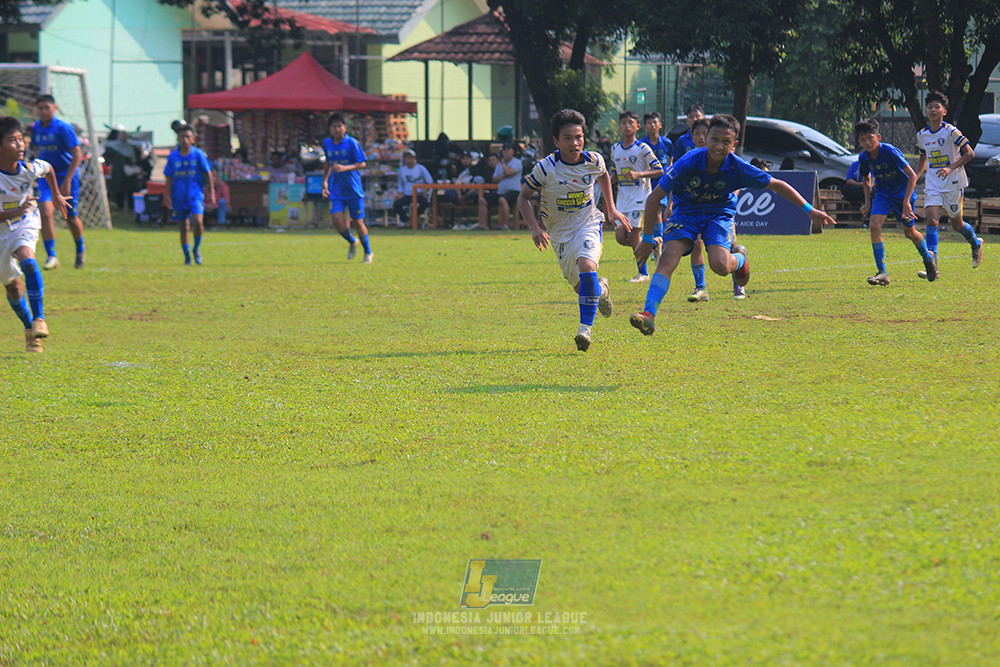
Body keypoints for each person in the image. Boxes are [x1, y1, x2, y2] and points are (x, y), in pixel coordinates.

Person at [629, 114, 836, 336]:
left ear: (734, 145)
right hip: (686, 212)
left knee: (720, 266)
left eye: (726, 142)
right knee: (669, 257)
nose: (719, 146)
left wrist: (809, 209)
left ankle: (740, 260)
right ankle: (649, 315)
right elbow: (653, 199)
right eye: (715, 139)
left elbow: (776, 184)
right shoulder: (688, 162)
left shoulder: (738, 167)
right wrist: (648, 240)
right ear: (706, 138)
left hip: (718, 213)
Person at [517, 108, 629, 352]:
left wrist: (611, 209)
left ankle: (584, 331)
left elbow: (604, 177)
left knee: (587, 266)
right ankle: (601, 290)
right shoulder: (545, 168)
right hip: (558, 235)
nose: (575, 143)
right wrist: (535, 228)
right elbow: (523, 198)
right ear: (556, 141)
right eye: (567, 138)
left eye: (578, 137)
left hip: (588, 223)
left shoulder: (594, 160)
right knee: (583, 289)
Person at [0, 116, 68, 352]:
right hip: (1, 231)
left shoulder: (28, 169)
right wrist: (13, 211)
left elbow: (48, 168)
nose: (20, 145)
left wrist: (57, 195)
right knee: (13, 288)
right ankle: (30, 330)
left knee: (28, 259)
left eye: (21, 140)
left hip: (24, 223)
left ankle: (39, 318)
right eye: (12, 141)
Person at [856, 118, 937, 286]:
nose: (867, 142)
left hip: (902, 195)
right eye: (863, 139)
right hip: (883, 194)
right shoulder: (863, 157)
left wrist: (907, 202)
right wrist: (867, 202)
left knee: (909, 233)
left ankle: (929, 258)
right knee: (874, 225)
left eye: (870, 138)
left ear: (878, 137)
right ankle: (882, 273)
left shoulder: (889, 151)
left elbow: (912, 175)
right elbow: (866, 179)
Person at [914, 90, 984, 279]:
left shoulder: (951, 131)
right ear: (926, 111)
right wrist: (915, 176)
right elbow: (923, 157)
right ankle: (932, 265)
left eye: (937, 107)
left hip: (953, 182)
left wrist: (950, 168)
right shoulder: (922, 135)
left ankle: (976, 243)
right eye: (930, 107)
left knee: (957, 224)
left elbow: (969, 153)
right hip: (933, 183)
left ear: (944, 111)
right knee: (932, 220)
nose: (933, 110)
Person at [30, 94, 85, 269]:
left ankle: (79, 250)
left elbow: (77, 155)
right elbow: (36, 149)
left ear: (54, 108)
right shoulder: (37, 128)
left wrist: (68, 180)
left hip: (66, 176)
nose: (44, 111)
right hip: (47, 177)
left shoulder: (63, 128)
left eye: (47, 107)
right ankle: (51, 256)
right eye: (41, 108)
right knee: (45, 212)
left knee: (70, 216)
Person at [610, 111, 663, 283]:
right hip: (622, 199)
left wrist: (639, 174)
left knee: (633, 236)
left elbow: (659, 170)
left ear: (637, 127)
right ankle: (654, 244)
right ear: (619, 127)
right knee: (620, 237)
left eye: (630, 123)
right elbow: (614, 174)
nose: (627, 126)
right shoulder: (614, 149)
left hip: (640, 197)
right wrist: (606, 186)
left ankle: (643, 273)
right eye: (624, 123)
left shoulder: (642, 148)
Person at [321, 113, 373, 262]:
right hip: (336, 188)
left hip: (353, 188)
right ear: (330, 128)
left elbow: (362, 163)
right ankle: (352, 241)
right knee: (337, 220)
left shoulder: (352, 143)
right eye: (333, 126)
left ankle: (368, 252)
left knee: (358, 222)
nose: (337, 129)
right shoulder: (327, 143)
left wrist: (345, 168)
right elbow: (328, 163)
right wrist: (324, 181)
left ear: (345, 128)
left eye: (339, 126)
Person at [164, 125, 214, 266]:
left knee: (198, 222)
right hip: (179, 195)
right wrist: (167, 196)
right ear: (178, 139)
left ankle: (196, 249)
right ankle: (187, 257)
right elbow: (169, 177)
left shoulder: (198, 155)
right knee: (183, 227)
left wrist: (211, 193)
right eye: (182, 137)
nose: (185, 140)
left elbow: (208, 172)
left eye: (188, 137)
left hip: (195, 195)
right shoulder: (173, 157)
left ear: (193, 139)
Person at [639, 111, 673, 262]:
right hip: (647, 182)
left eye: (655, 122)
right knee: (649, 214)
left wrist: (669, 173)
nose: (653, 125)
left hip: (662, 183)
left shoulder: (666, 142)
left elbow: (671, 158)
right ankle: (655, 243)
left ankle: (657, 244)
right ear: (645, 126)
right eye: (650, 123)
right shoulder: (642, 144)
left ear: (660, 124)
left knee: (658, 212)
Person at [479, 142, 522, 230]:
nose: (506, 152)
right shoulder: (499, 165)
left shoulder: (517, 162)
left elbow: (509, 172)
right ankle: (484, 225)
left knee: (503, 199)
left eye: (508, 150)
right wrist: (504, 175)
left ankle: (505, 225)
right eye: (504, 150)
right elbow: (494, 179)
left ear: (513, 151)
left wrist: (503, 164)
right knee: (482, 200)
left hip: (514, 192)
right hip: (501, 192)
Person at [392, 149, 433, 228]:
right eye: (406, 158)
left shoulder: (421, 168)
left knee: (425, 203)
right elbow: (400, 184)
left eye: (410, 158)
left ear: (414, 159)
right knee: (397, 204)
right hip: (408, 195)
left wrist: (425, 190)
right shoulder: (402, 170)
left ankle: (413, 219)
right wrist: (399, 193)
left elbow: (429, 181)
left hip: (419, 194)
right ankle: (406, 221)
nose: (408, 160)